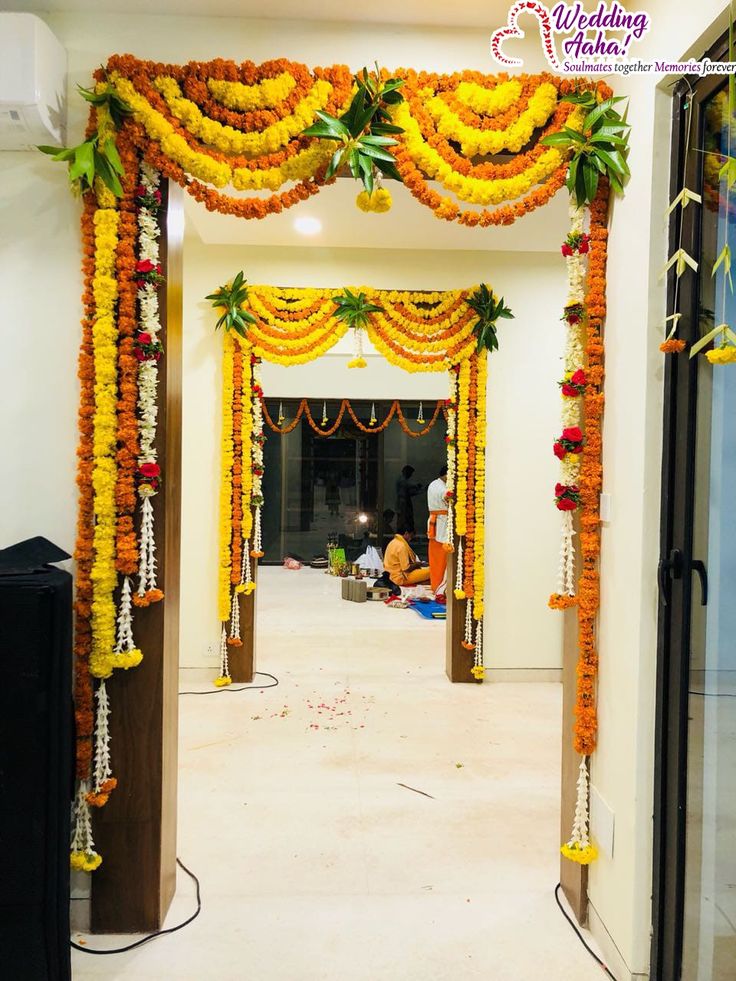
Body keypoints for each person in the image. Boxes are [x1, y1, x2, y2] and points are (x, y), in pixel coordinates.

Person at [383, 523, 431, 587]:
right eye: (411, 536)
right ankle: (418, 583)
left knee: (424, 573)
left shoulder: (393, 542)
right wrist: (418, 564)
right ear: (406, 533)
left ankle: (419, 583)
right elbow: (406, 568)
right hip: (399, 577)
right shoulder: (401, 546)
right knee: (432, 571)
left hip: (390, 576)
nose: (410, 539)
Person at [426, 464, 449, 595]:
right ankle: (440, 587)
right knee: (441, 558)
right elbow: (447, 495)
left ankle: (436, 585)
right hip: (442, 524)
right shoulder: (442, 487)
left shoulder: (433, 484)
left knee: (435, 559)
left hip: (436, 521)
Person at [395, 465, 422, 532]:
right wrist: (416, 485)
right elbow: (406, 484)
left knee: (408, 518)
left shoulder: (405, 481)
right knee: (403, 518)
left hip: (406, 501)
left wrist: (421, 490)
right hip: (402, 502)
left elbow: (411, 492)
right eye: (410, 473)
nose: (411, 475)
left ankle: (409, 531)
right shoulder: (401, 480)